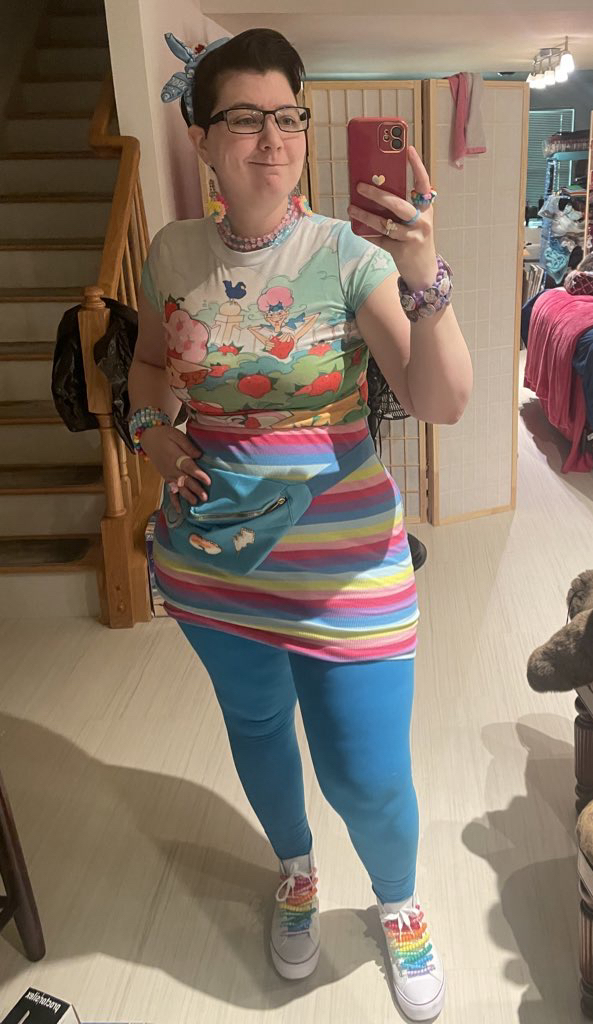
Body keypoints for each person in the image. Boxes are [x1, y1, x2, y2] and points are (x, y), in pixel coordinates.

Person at [129, 28, 472, 1022]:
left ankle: (397, 902)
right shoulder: (171, 252)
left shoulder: (349, 254)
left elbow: (439, 399)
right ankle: (295, 870)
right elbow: (147, 365)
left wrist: (424, 273)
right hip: (213, 556)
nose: (272, 140)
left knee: (366, 772)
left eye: (288, 117)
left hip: (345, 564)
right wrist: (153, 434)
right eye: (245, 119)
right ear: (202, 138)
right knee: (254, 727)